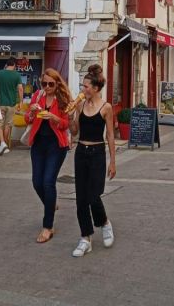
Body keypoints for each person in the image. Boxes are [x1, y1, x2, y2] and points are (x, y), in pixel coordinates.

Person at [69, 64, 116, 257]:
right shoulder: (80, 105)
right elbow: (74, 132)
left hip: (97, 151)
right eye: (82, 86)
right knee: (81, 198)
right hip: (81, 151)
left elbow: (111, 136)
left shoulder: (106, 108)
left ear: (95, 88)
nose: (83, 90)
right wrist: (72, 115)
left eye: (86, 86)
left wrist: (113, 161)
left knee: (94, 195)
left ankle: (104, 222)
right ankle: (85, 237)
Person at [24, 68, 71, 244]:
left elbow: (66, 124)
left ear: (57, 83)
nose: (47, 87)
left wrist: (54, 118)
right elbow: (28, 119)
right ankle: (51, 204)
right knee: (37, 182)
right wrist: (32, 112)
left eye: (50, 84)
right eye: (44, 83)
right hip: (38, 144)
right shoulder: (37, 96)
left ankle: (48, 226)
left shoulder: (63, 100)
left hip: (56, 145)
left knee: (48, 182)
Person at [0, 57, 24, 156]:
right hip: (11, 104)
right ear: (14, 65)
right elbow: (20, 89)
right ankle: (5, 144)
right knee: (7, 125)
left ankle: (2, 143)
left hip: (0, 103)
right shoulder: (16, 75)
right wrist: (21, 101)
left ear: (6, 64)